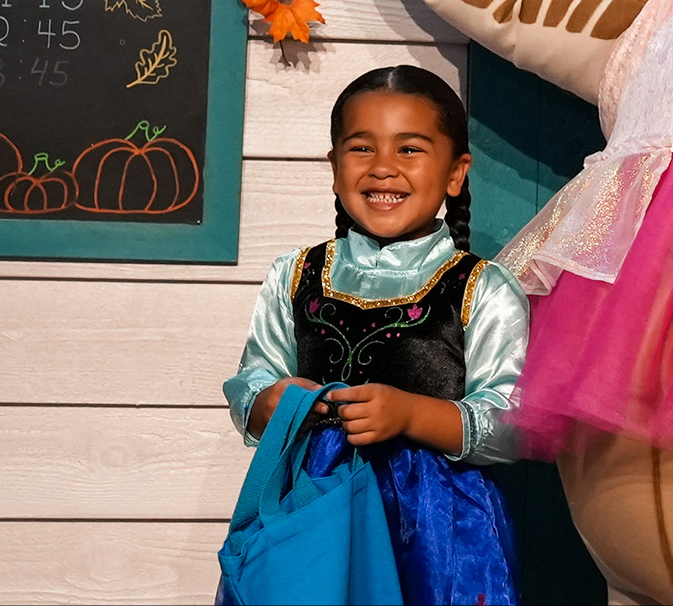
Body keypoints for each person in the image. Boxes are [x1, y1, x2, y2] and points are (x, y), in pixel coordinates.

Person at [221, 65, 527, 606]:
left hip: (439, 533)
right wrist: (272, 401)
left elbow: (511, 422)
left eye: (410, 149)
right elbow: (253, 380)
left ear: (456, 174)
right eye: (362, 149)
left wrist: (410, 415)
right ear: (335, 169)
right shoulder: (294, 274)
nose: (384, 169)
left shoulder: (483, 288)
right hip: (316, 510)